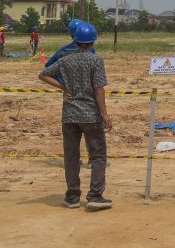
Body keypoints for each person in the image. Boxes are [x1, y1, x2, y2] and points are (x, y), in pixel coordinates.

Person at [39, 22, 113, 211]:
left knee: (71, 157)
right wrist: (104, 114)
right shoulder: (95, 61)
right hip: (91, 115)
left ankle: (72, 197)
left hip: (69, 115)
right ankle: (95, 196)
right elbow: (98, 89)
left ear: (75, 40)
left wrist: (63, 87)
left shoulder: (65, 60)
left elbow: (44, 74)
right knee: (97, 156)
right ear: (92, 41)